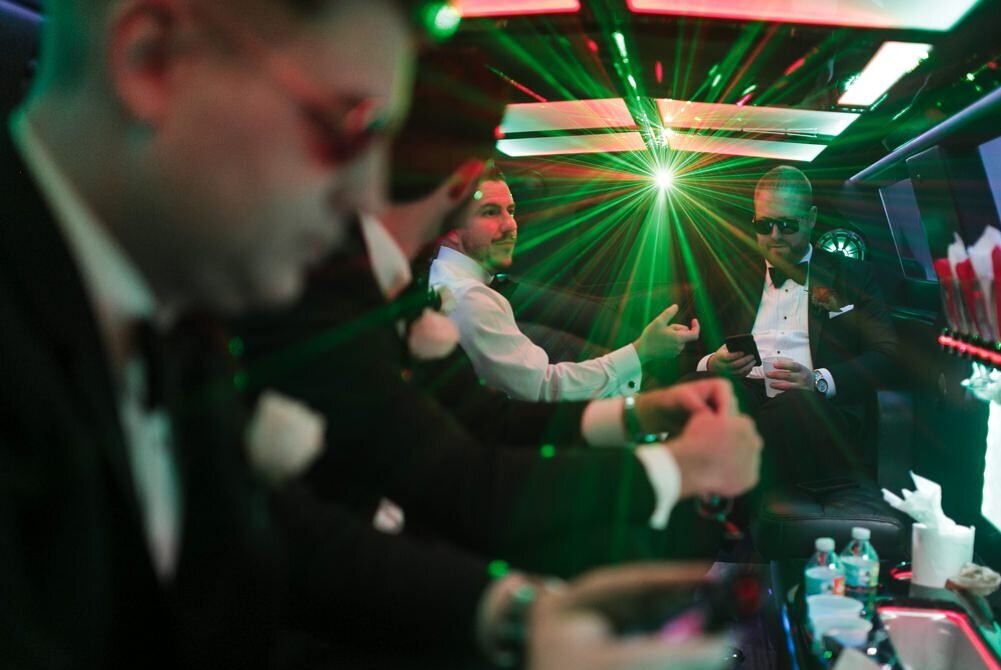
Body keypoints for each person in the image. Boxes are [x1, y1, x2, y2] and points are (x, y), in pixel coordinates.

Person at [0, 2, 736, 670]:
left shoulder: (165, 299)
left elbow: (270, 530)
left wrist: (523, 608)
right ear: (149, 62)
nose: (366, 192)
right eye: (349, 127)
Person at [235, 48, 763, 574]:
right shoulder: (335, 292)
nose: (510, 224)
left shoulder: (403, 289)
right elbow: (466, 477)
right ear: (461, 186)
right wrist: (674, 469)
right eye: (492, 211)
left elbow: (485, 420)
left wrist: (640, 412)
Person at [686, 165, 900, 487]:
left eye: (787, 225)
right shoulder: (727, 276)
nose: (774, 236)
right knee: (708, 392)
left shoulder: (853, 276)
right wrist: (712, 363)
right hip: (746, 392)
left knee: (795, 409)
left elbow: (888, 354)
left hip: (811, 404)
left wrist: (819, 381)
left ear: (811, 218)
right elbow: (687, 346)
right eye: (764, 224)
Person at [430, 168, 702, 401]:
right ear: (452, 228)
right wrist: (641, 351)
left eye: (511, 211)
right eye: (490, 213)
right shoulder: (470, 298)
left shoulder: (447, 280)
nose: (510, 225)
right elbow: (545, 388)